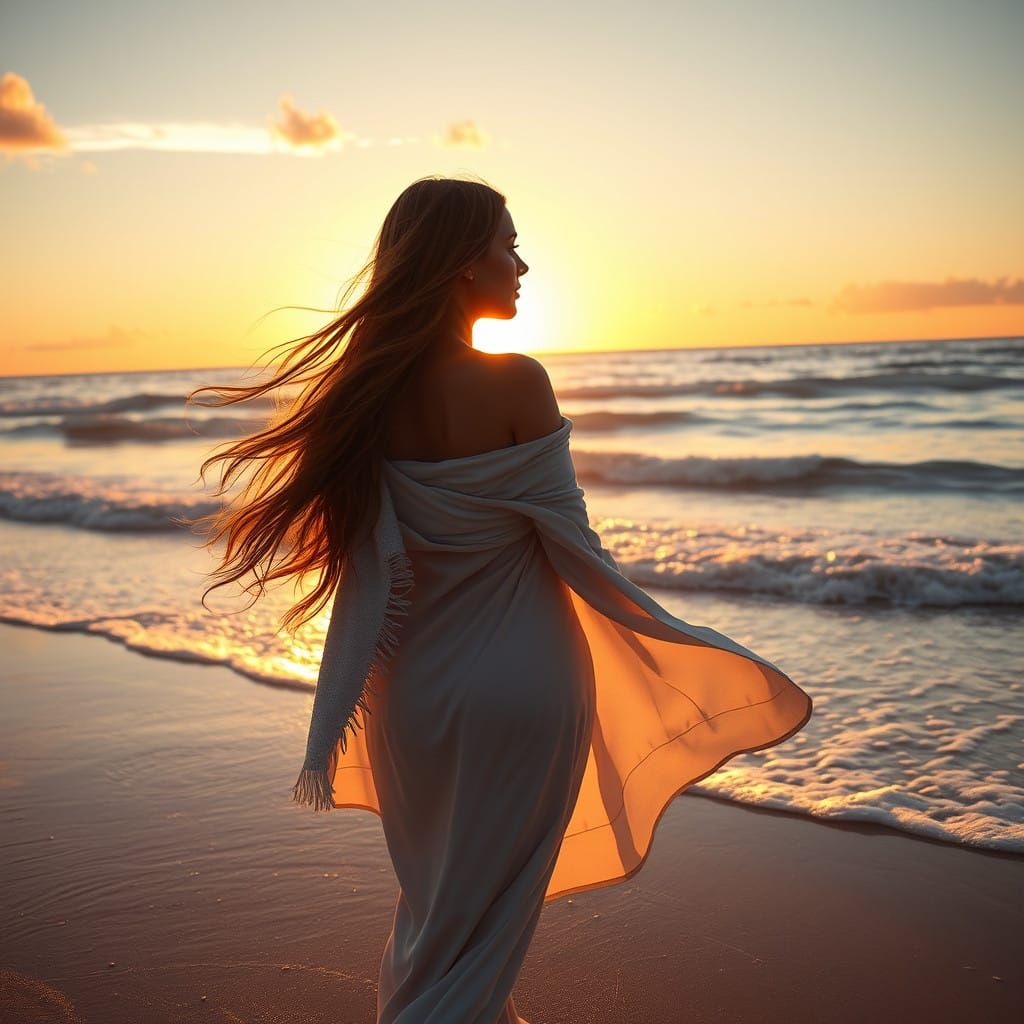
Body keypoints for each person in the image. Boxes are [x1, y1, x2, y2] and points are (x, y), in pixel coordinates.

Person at [192, 175, 813, 1024]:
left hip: (409, 697)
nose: (522, 264)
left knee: (440, 920)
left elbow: (365, 553)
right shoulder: (516, 381)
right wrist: (685, 643)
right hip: (523, 687)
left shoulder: (361, 400)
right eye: (506, 244)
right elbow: (576, 549)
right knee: (480, 932)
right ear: (458, 265)